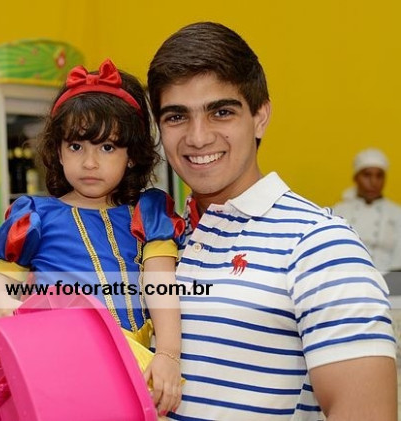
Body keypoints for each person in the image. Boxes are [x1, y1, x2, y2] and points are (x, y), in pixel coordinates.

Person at [147, 22, 397, 420]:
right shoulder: (161, 239)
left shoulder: (320, 245)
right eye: (177, 116)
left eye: (221, 112)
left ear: (260, 116)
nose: (198, 137)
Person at [0, 59, 184, 417]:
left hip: (134, 367)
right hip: (59, 365)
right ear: (58, 151)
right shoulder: (35, 216)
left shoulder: (149, 212)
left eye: (107, 147)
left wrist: (168, 355)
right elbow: (2, 280)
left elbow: (161, 283)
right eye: (76, 146)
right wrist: (2, 301)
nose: (90, 162)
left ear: (132, 156)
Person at [332, 148, 401, 273]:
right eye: (367, 175)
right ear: (356, 178)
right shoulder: (338, 212)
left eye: (379, 176)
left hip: (388, 280)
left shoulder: (397, 213)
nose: (373, 182)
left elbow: (398, 261)